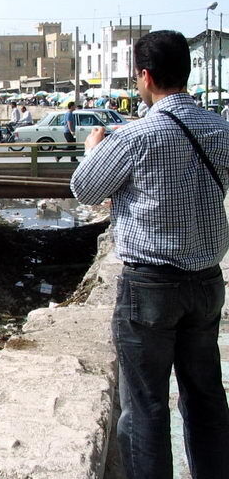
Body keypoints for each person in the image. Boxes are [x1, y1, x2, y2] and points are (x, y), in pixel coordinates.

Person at [70, 30, 229, 479]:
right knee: (206, 398)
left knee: (145, 408)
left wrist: (91, 151)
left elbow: (85, 189)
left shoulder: (134, 137)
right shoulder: (220, 128)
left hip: (150, 287)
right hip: (206, 282)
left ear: (145, 76)